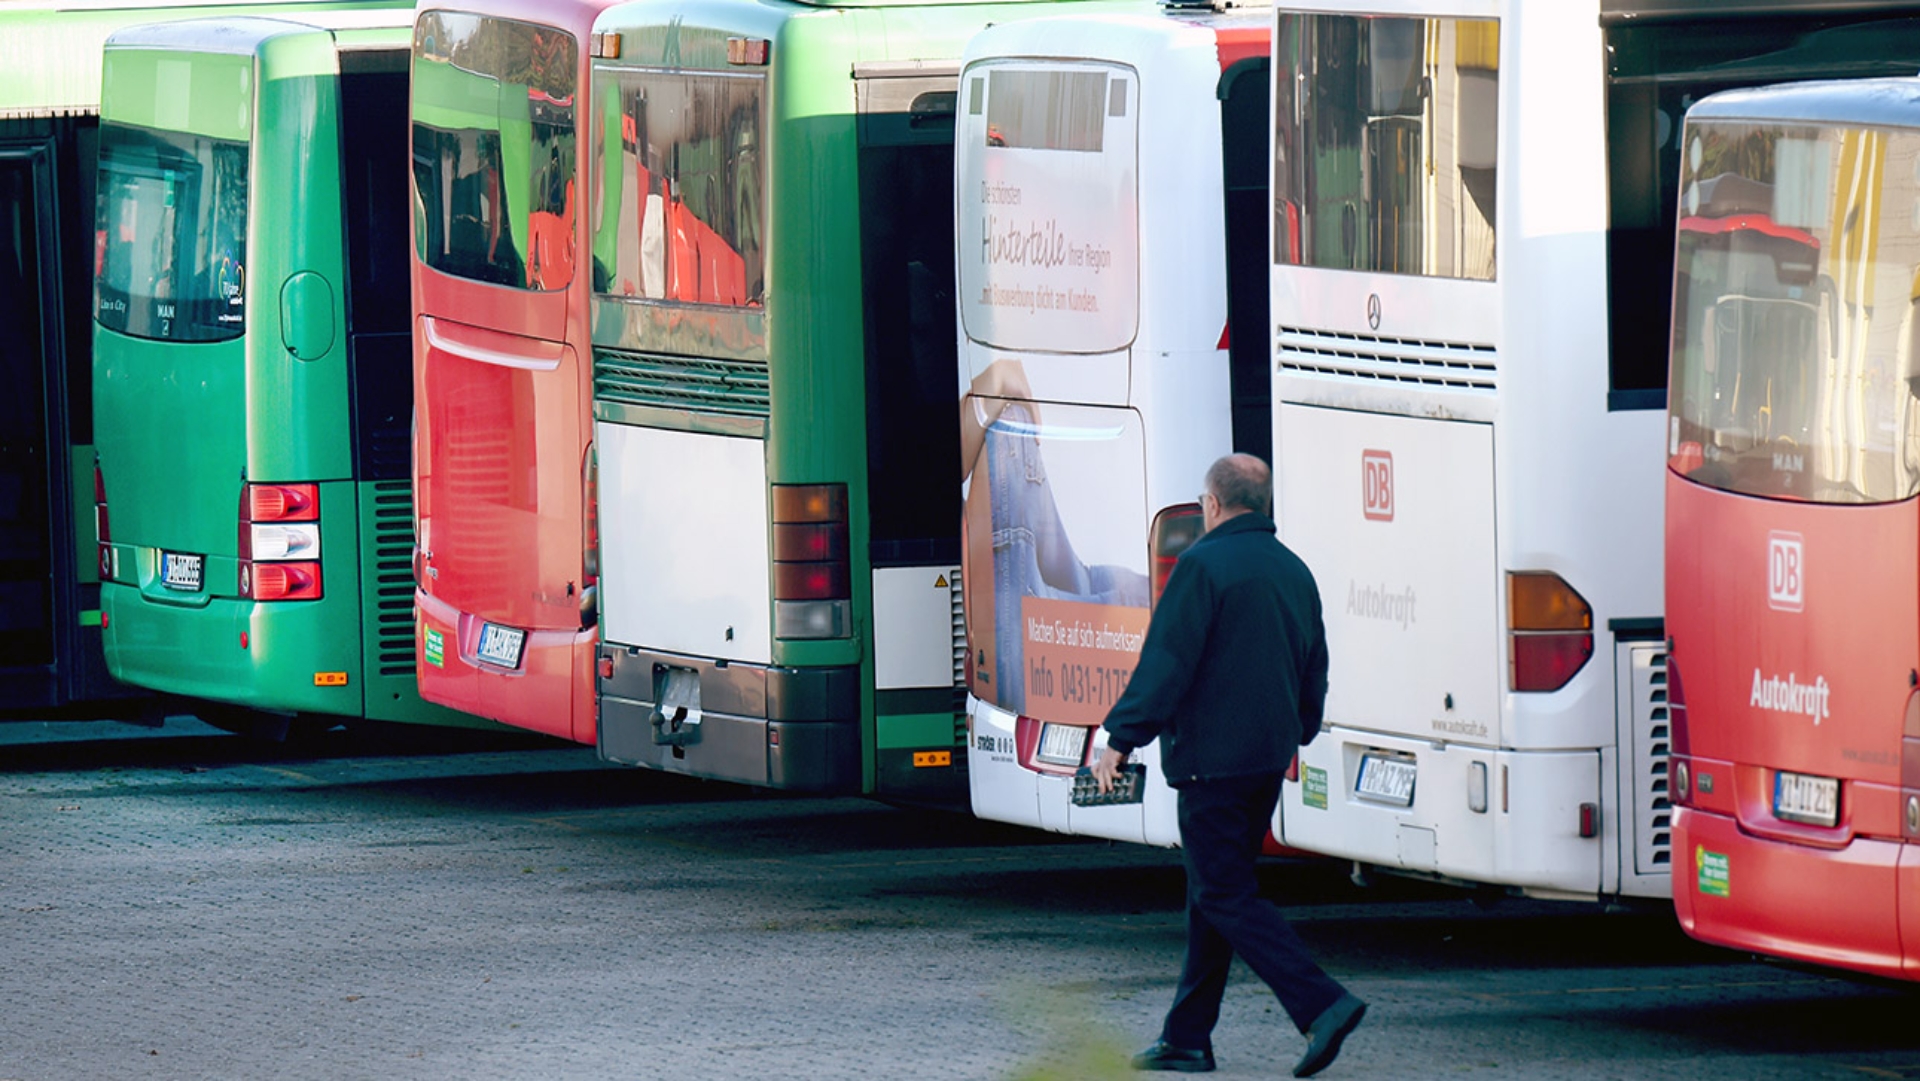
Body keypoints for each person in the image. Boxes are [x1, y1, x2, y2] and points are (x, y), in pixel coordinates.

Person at [1090, 453, 1365, 1078]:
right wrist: (1299, 727)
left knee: (1223, 891)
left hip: (1211, 761)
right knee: (1211, 892)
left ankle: (1322, 1004)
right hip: (1266, 758)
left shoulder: (1201, 566)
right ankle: (1187, 1037)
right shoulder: (1294, 569)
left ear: (1212, 504)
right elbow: (1313, 660)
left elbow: (1167, 661)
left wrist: (1120, 739)